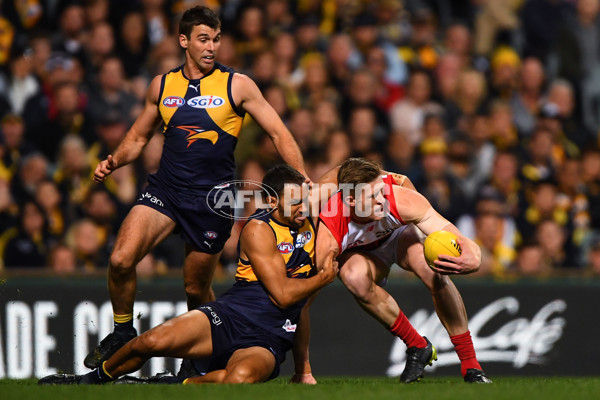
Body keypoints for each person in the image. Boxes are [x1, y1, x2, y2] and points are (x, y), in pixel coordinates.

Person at [86, 6, 308, 372]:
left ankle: (202, 356)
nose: (211, 47)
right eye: (204, 39)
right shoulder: (162, 85)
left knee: (194, 290)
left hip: (212, 202)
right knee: (120, 259)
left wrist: (299, 178)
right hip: (167, 191)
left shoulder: (237, 85)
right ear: (183, 40)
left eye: (217, 39)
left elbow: (278, 132)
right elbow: (140, 136)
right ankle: (123, 331)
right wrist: (114, 161)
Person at [39, 165, 337, 385]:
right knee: (151, 342)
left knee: (241, 379)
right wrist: (323, 278)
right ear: (272, 202)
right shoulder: (259, 229)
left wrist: (380, 180)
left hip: (267, 336)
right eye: (296, 200)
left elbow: (340, 173)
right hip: (230, 316)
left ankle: (170, 384)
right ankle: (89, 381)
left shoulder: (309, 214)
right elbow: (282, 294)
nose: (304, 206)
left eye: (306, 198)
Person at [308, 158, 491, 383]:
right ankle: (418, 345)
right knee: (353, 277)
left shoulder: (401, 199)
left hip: (398, 238)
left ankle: (471, 366)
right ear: (351, 200)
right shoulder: (330, 225)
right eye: (372, 196)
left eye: (382, 192)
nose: (381, 201)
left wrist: (475, 257)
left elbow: (455, 235)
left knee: (433, 269)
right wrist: (303, 369)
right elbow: (311, 285)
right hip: (362, 255)